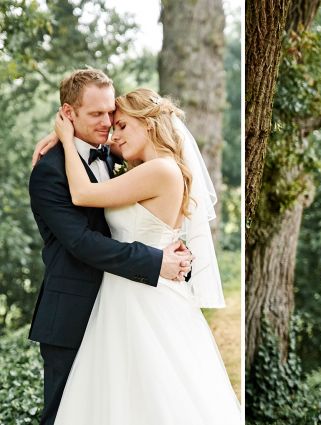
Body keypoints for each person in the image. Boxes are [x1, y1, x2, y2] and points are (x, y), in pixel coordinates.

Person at [39, 83, 241, 423]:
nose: (114, 135)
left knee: (154, 395)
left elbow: (85, 193)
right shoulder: (141, 166)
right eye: (112, 125)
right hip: (123, 295)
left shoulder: (160, 170)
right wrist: (62, 140)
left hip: (144, 298)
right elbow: (98, 148)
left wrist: (65, 139)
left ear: (149, 124)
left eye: (122, 125)